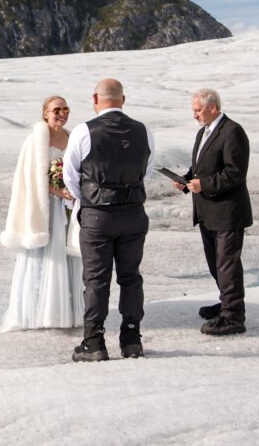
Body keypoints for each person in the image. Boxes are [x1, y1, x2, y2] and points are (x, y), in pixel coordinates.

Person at [62, 79, 155, 361]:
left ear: (95, 99)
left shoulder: (84, 131)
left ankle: (94, 343)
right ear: (123, 100)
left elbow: (70, 174)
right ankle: (131, 340)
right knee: (131, 278)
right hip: (133, 212)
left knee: (96, 280)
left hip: (97, 215)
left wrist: (87, 201)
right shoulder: (143, 131)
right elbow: (145, 172)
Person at [0, 96, 84, 331]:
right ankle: (40, 313)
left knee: (69, 256)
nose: (62, 114)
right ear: (45, 113)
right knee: (47, 256)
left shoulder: (72, 136)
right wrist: (56, 190)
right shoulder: (35, 140)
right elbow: (29, 175)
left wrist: (75, 189)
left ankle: (68, 311)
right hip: (47, 207)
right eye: (56, 110)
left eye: (65, 109)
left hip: (71, 207)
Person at [172, 88, 253, 336]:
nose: (194, 115)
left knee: (227, 264)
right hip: (208, 211)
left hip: (227, 212)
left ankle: (233, 317)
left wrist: (204, 185)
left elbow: (235, 172)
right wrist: (186, 181)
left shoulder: (232, 132)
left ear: (213, 108)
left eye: (197, 110)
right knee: (215, 263)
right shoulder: (204, 132)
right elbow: (201, 168)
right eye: (193, 111)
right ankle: (227, 303)